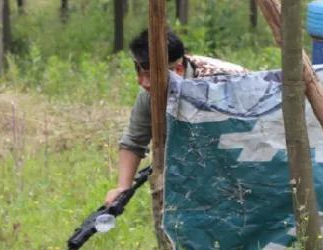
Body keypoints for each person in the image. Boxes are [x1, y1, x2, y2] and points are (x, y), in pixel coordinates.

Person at [105, 29, 246, 206]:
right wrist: (122, 187)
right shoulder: (150, 95)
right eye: (138, 72)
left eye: (149, 75)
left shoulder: (221, 83)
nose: (142, 82)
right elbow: (134, 141)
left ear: (178, 70)